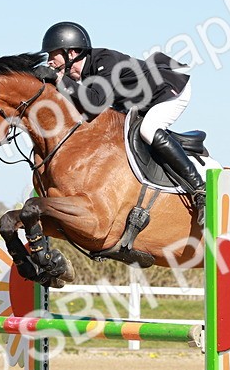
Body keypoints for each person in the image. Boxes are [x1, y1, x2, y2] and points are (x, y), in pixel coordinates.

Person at [40, 21, 205, 222]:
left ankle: (199, 190)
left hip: (168, 92)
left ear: (71, 53)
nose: (49, 61)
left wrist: (59, 81)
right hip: (139, 102)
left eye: (52, 55)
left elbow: (94, 104)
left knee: (149, 130)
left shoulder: (105, 62)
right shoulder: (80, 77)